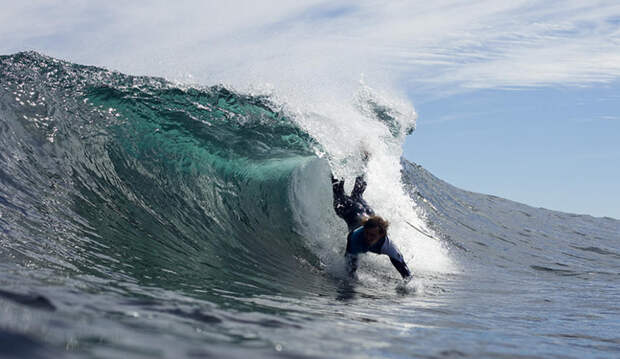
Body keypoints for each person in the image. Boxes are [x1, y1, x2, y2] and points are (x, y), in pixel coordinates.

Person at [331, 173, 411, 279]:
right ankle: (333, 167)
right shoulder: (355, 238)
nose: (368, 237)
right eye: (367, 233)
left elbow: (405, 272)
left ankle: (364, 160)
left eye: (372, 235)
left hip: (366, 211)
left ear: (381, 235)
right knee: (338, 190)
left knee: (357, 194)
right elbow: (350, 271)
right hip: (349, 210)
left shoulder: (387, 245)